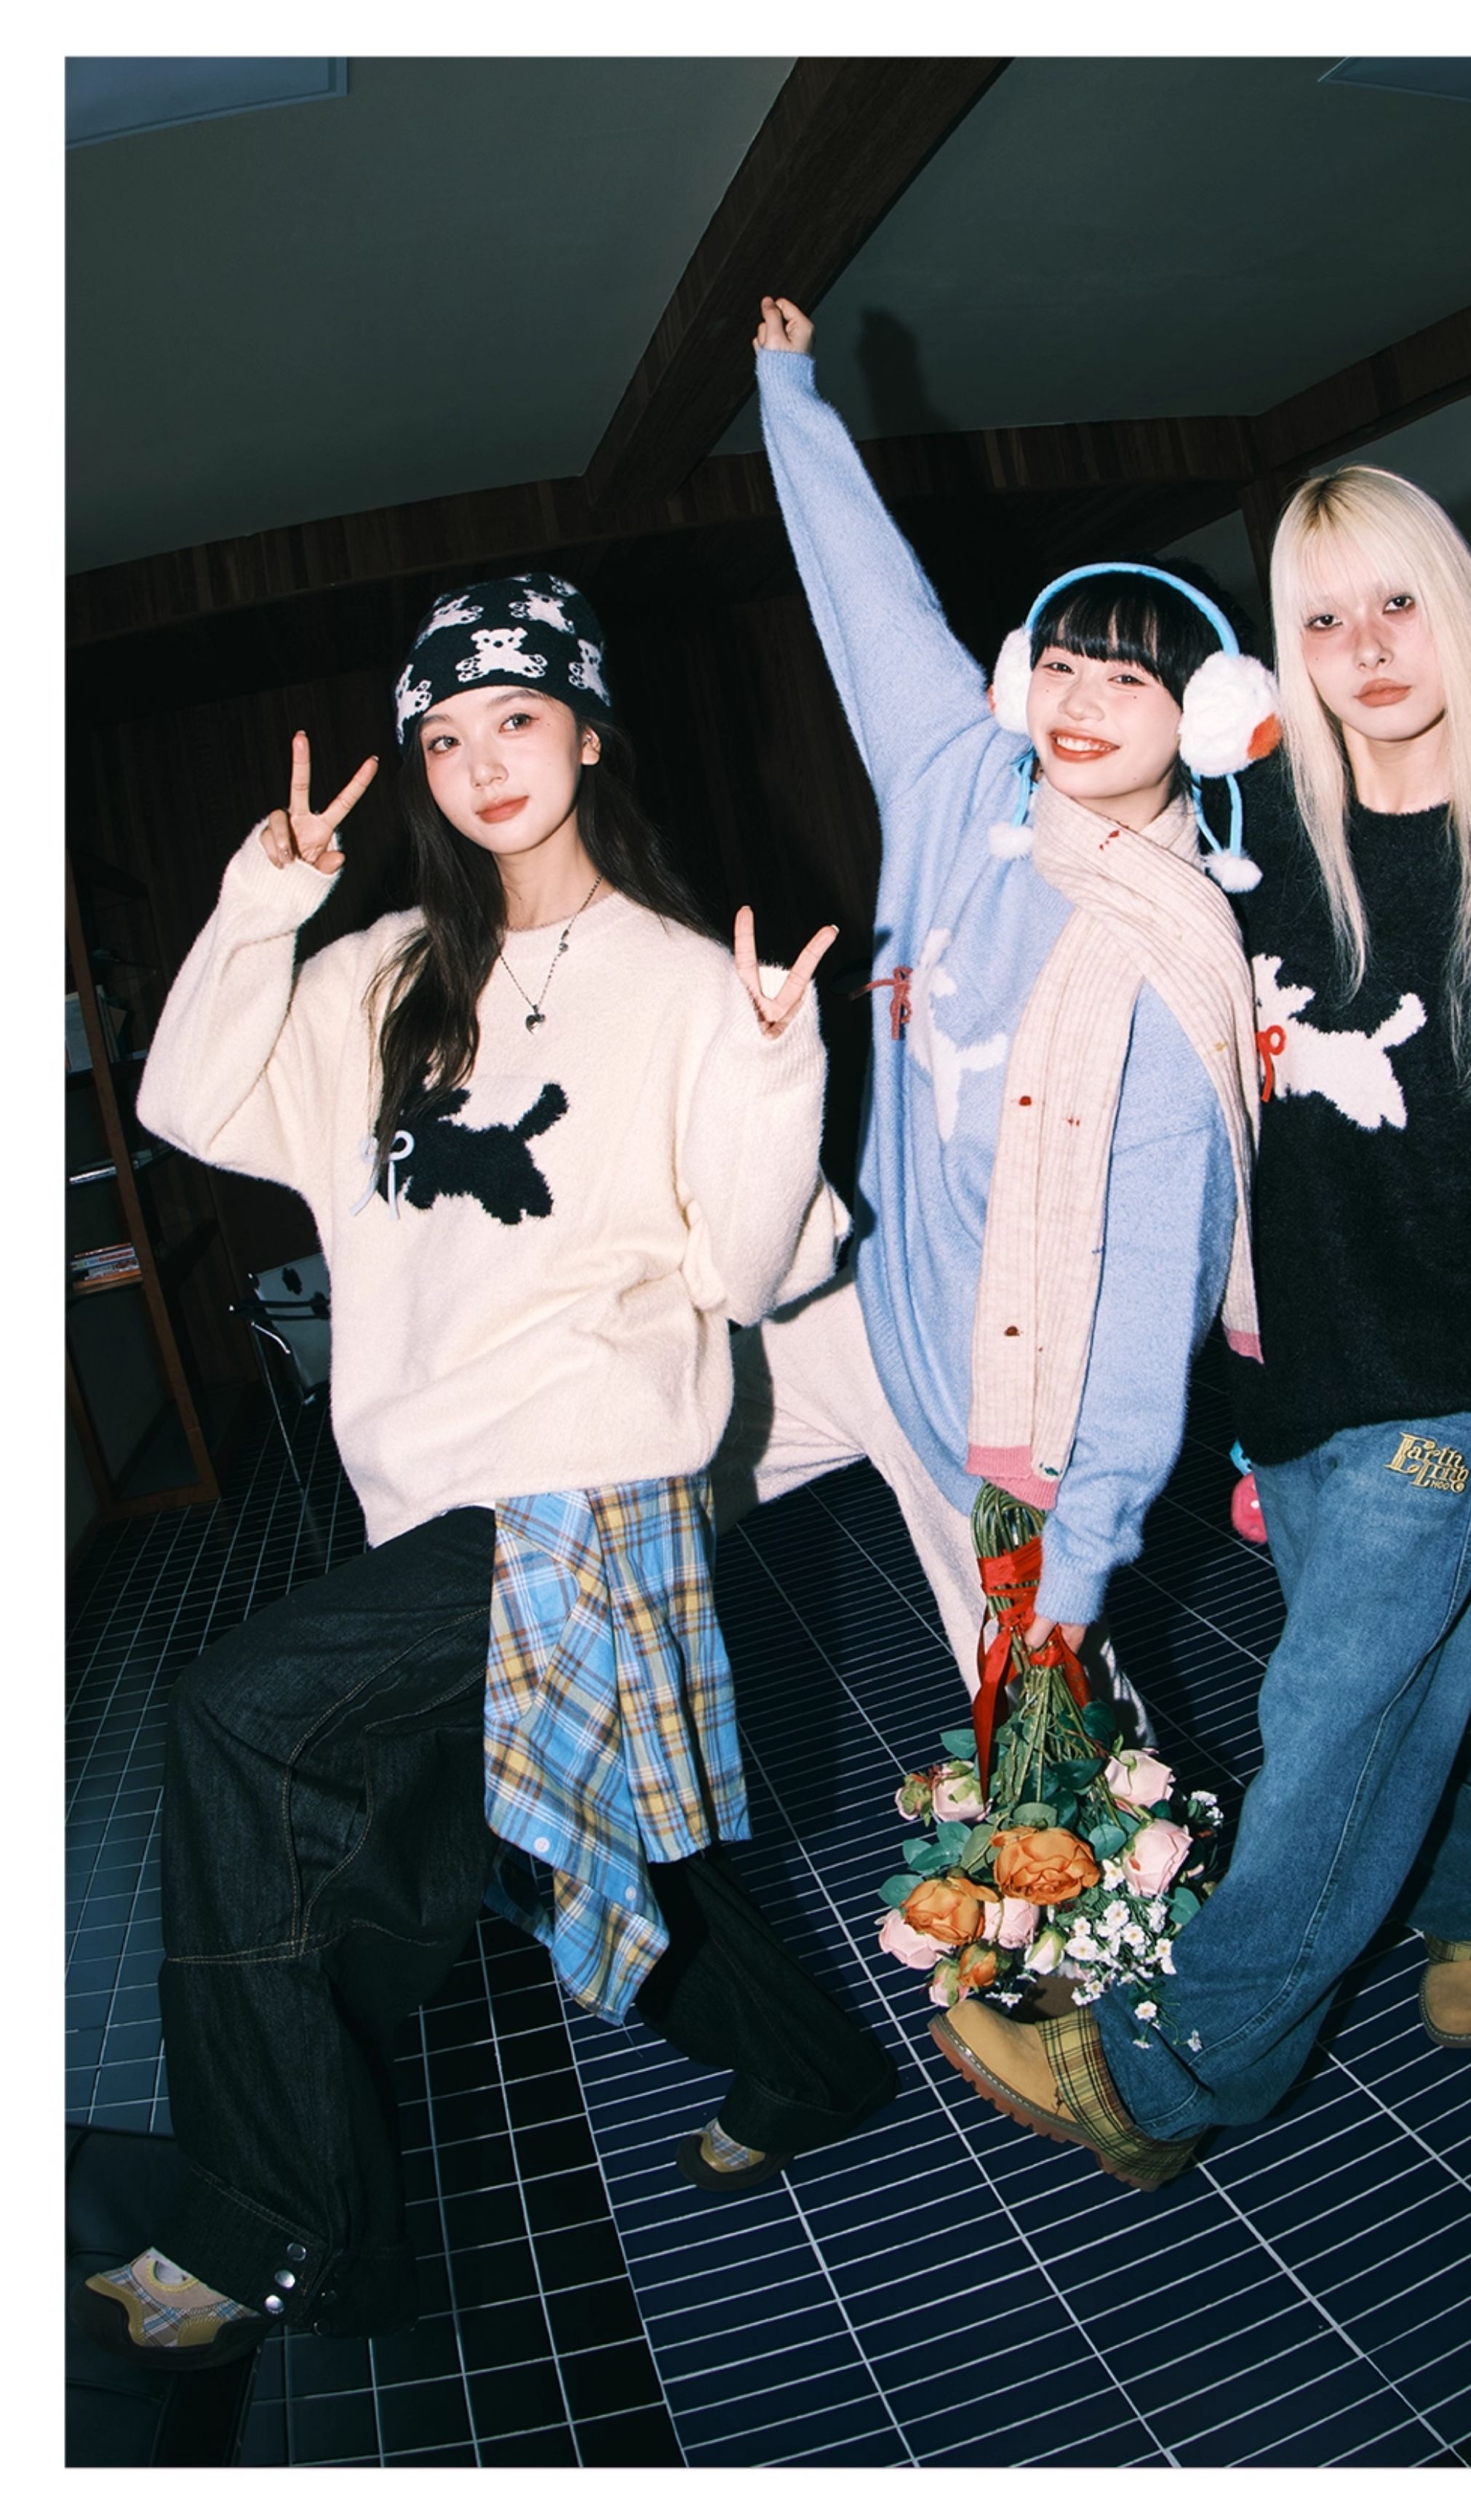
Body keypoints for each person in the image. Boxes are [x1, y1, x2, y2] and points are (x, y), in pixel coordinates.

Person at [76, 573, 897, 2371]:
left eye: (514, 716)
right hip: (426, 1493)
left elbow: (751, 1269)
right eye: (441, 734)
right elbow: (187, 1105)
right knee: (547, 1843)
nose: (479, 760)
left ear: (588, 732)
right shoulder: (380, 973)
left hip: (588, 1488)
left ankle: (275, 2227)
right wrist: (267, 896)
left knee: (239, 1723)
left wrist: (777, 1071)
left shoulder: (687, 981)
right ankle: (810, 2069)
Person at [932, 465, 1471, 2187]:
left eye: (1397, 604)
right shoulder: (1256, 849)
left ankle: (1170, 2075)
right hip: (1288, 1373)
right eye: (1321, 618)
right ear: (1277, 659)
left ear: (1462, 621)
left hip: (1456, 1373)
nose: (1365, 649)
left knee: (1332, 1718)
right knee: (1403, 1688)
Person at [713, 296, 1277, 1712]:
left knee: (1050, 1727)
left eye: (1130, 678)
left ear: (1206, 722)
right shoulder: (961, 783)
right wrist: (789, 394)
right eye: (1063, 663)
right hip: (860, 1305)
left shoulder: (1170, 962)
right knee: (617, 1458)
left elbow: (1149, 1293)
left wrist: (1078, 1562)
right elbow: (872, 603)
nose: (1083, 698)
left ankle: (1111, 1831)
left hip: (1004, 1410)